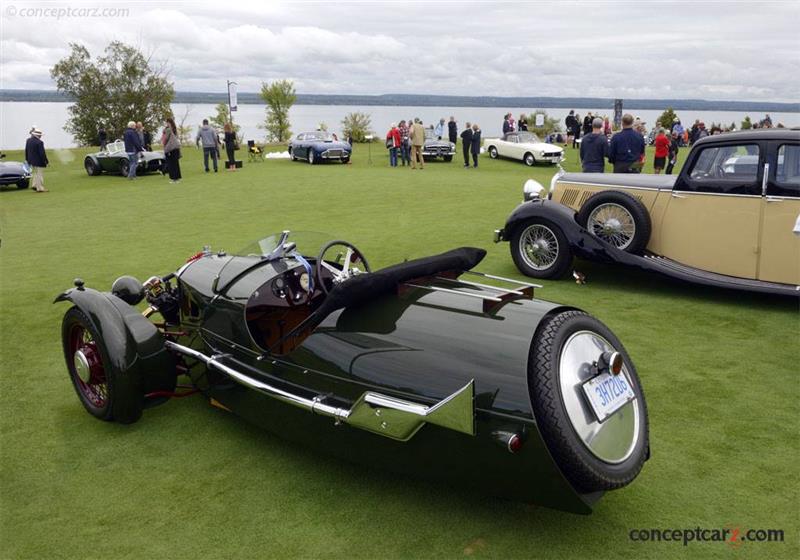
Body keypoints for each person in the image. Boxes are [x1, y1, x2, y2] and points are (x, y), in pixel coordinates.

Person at [24, 127, 48, 192]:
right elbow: (42, 153)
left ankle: (34, 185)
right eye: (39, 135)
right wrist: (46, 161)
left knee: (36, 173)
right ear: (36, 135)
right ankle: (40, 188)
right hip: (38, 161)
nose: (40, 136)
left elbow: (26, 150)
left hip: (30, 160)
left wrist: (27, 159)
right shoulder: (39, 142)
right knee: (39, 174)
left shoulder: (28, 140)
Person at [162, 117, 182, 183]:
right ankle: (177, 178)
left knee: (171, 164)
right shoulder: (174, 128)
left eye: (166, 122)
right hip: (176, 148)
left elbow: (165, 139)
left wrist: (163, 144)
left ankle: (174, 179)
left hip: (170, 148)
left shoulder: (168, 129)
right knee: (176, 163)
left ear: (168, 122)